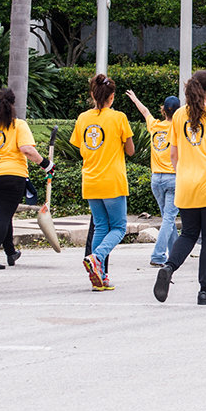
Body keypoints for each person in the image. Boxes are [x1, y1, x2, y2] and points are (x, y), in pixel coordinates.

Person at [153, 70, 206, 306]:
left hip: (185, 185)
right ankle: (205, 290)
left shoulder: (178, 116)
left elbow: (173, 154)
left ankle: (169, 267)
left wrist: (184, 174)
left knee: (188, 233)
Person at [69, 73, 134, 291]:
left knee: (100, 226)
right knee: (119, 227)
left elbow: (81, 147)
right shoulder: (119, 118)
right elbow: (131, 150)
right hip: (113, 181)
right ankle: (97, 258)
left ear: (92, 94)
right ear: (112, 97)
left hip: (90, 180)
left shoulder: (82, 118)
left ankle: (100, 277)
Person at [0, 88, 52, 271]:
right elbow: (27, 149)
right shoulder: (18, 125)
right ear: (11, 106)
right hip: (13, 176)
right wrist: (46, 164)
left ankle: (10, 252)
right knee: (3, 215)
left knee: (3, 213)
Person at [126, 90, 180, 267]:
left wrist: (135, 99)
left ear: (163, 110)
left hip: (156, 179)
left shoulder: (155, 126)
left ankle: (176, 252)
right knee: (168, 219)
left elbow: (145, 112)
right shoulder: (178, 129)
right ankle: (158, 255)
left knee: (167, 218)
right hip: (173, 178)